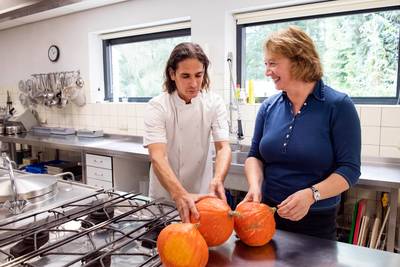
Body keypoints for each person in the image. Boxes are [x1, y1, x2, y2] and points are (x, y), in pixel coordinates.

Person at [241, 26, 361, 240]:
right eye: (266, 64)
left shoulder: (338, 106)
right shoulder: (269, 107)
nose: (267, 71)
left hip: (316, 222)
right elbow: (255, 156)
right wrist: (254, 186)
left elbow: (349, 170)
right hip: (266, 216)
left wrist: (311, 195)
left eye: (273, 63)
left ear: (298, 61)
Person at [143, 42, 232, 223]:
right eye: (185, 76)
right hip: (166, 197)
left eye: (198, 75)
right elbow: (157, 156)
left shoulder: (214, 103)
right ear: (172, 74)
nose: (193, 83)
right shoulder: (158, 106)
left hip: (201, 196)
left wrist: (218, 179)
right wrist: (179, 194)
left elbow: (223, 147)